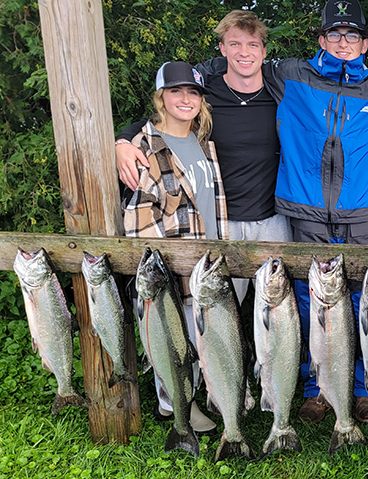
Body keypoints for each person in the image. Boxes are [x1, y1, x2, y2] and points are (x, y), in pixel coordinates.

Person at [198, 0, 368, 424]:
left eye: (351, 36)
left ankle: (362, 388)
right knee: (309, 301)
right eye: (334, 34)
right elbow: (223, 68)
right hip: (306, 212)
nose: (342, 43)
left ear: (364, 43)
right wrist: (128, 137)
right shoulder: (290, 75)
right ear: (321, 39)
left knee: (366, 301)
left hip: (362, 212)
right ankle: (316, 388)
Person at [117, 10, 293, 305]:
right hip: (222, 222)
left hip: (273, 221)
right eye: (234, 44)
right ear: (223, 49)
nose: (244, 53)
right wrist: (122, 141)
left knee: (277, 310)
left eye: (252, 45)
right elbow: (160, 120)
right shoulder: (204, 95)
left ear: (264, 51)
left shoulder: (282, 93)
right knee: (220, 311)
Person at [122, 61, 224, 435]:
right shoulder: (142, 148)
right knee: (174, 342)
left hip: (206, 260)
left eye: (193, 92)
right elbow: (138, 226)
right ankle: (181, 404)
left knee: (199, 339)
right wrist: (161, 275)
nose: (185, 99)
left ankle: (179, 398)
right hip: (171, 270)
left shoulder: (203, 143)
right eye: (176, 91)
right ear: (161, 97)